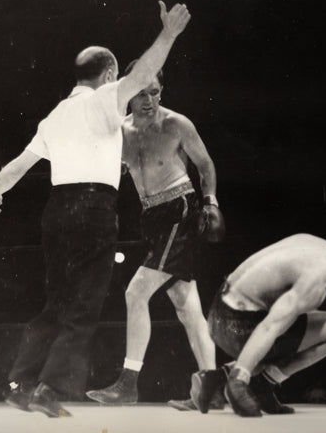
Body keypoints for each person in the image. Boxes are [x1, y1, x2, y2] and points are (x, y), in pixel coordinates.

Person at [0, 0, 191, 418]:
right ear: (110, 74)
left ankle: (20, 382)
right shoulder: (104, 100)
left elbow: (15, 167)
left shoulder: (55, 114)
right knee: (84, 303)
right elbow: (145, 74)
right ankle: (49, 389)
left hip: (55, 211)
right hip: (93, 207)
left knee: (56, 301)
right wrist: (168, 34)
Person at [85, 61, 225, 411]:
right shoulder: (121, 132)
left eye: (155, 92)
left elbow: (205, 164)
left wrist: (211, 203)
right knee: (186, 306)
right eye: (141, 92)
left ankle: (128, 384)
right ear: (128, 93)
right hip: (151, 217)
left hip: (180, 210)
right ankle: (213, 388)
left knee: (136, 293)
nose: (149, 100)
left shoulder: (176, 124)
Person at [188, 233, 326, 417]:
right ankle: (252, 381)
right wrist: (239, 380)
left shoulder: (319, 245)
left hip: (217, 313)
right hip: (235, 326)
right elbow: (270, 326)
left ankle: (214, 379)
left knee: (311, 322)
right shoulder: (318, 278)